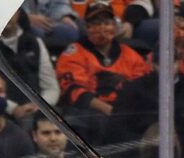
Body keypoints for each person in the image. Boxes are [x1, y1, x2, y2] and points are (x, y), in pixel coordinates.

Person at [54, 1, 149, 144]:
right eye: (96, 23)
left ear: (114, 25)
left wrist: (123, 111)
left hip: (125, 112)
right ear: (87, 27)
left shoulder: (130, 55)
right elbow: (73, 90)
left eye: (106, 22)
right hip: (90, 112)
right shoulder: (73, 53)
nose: (102, 28)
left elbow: (142, 88)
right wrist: (107, 109)